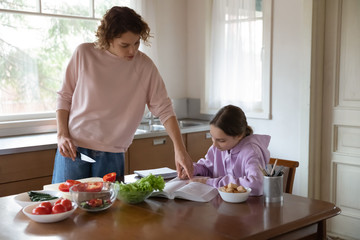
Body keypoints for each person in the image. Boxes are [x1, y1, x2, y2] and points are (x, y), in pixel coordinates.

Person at [52, 6, 193, 183]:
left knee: (109, 209)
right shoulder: (84, 54)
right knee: (66, 206)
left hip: (112, 153)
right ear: (108, 39)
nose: (132, 51)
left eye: (136, 43)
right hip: (74, 149)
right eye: (124, 45)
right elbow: (64, 97)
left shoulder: (144, 66)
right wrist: (62, 135)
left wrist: (180, 149)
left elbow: (164, 109)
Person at [184, 105, 270, 196]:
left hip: (247, 206)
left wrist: (209, 182)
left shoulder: (252, 151)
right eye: (212, 137)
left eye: (221, 140)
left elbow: (256, 185)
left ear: (239, 135)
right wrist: (193, 169)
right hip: (221, 203)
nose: (214, 144)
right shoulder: (216, 148)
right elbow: (208, 168)